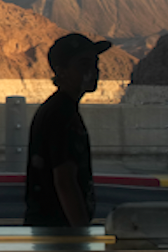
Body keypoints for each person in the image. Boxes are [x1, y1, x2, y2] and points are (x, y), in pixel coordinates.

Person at [23, 33, 111, 227]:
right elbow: (65, 181)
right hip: (57, 232)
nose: (94, 71)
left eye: (95, 64)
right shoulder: (62, 113)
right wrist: (81, 235)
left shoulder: (61, 108)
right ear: (61, 72)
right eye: (84, 64)